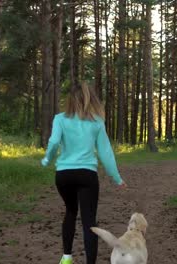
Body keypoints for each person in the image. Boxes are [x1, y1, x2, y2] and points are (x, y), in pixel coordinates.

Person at [41, 82, 127, 264]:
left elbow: (54, 141)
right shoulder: (96, 122)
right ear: (89, 99)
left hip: (64, 175)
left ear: (70, 100)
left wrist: (47, 159)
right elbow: (105, 153)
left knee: (71, 211)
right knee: (89, 221)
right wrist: (117, 178)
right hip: (87, 175)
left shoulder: (59, 119)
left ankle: (66, 257)